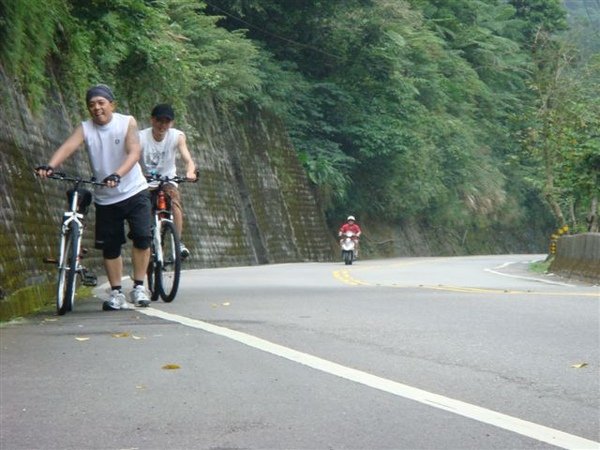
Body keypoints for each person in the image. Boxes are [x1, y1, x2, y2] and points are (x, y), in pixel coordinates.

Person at [36, 84, 152, 311]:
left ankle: (139, 287)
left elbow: (134, 152)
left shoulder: (127, 122)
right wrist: (50, 166)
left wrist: (117, 174)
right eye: (92, 105)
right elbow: (69, 146)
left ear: (112, 104)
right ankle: (116, 292)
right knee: (111, 247)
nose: (96, 108)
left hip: (134, 190)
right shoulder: (86, 128)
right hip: (106, 197)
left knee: (142, 237)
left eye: (101, 103)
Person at [139, 104, 197, 258]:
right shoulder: (141, 137)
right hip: (144, 181)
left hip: (167, 179)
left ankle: (177, 242)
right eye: (159, 120)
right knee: (140, 211)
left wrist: (190, 171)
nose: (162, 125)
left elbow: (187, 158)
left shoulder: (177, 136)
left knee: (175, 203)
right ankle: (144, 244)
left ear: (171, 123)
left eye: (167, 121)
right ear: (152, 120)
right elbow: (131, 158)